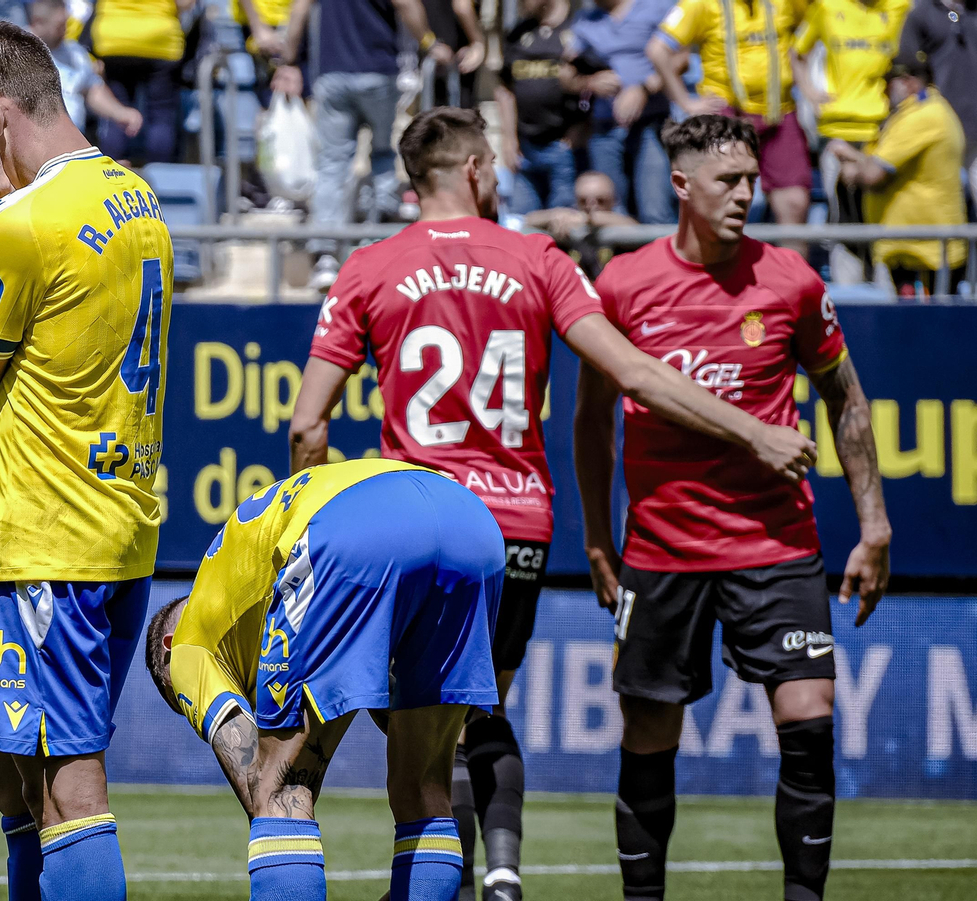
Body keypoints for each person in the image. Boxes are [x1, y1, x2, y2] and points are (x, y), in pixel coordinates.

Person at [287, 106, 819, 901]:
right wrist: (754, 431)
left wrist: (314, 533)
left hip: (416, 519)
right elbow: (634, 373)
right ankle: (503, 873)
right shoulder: (539, 258)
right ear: (475, 169)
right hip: (510, 526)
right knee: (481, 710)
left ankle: (447, 882)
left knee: (423, 726)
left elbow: (307, 425)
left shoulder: (369, 266)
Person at [572, 114, 891, 901]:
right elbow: (591, 421)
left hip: (776, 543)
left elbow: (846, 399)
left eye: (752, 178)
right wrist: (598, 534)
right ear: (682, 185)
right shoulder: (624, 284)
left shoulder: (792, 280)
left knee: (810, 717)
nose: (747, 193)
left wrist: (875, 524)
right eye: (729, 180)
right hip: (662, 549)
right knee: (649, 733)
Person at [0, 21, 173, 901]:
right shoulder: (136, 195)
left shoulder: (20, 223)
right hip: (115, 524)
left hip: (45, 535)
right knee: (13, 768)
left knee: (70, 786)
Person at [145, 458, 505, 901]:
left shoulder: (186, 645)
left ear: (166, 646)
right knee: (423, 789)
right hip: (469, 521)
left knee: (278, 792)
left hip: (352, 533)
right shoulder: (239, 590)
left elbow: (259, 789)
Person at [274, 0, 464, 291]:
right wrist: (428, 42)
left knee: (332, 164)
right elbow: (405, 3)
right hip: (377, 69)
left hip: (332, 72)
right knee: (383, 154)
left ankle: (326, 256)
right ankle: (380, 240)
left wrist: (289, 60)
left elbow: (300, 9)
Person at [647, 0, 811, 226]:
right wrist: (686, 102)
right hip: (726, 115)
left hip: (779, 112)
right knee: (728, 198)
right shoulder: (701, 4)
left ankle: (789, 251)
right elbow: (657, 50)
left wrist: (809, 87)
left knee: (794, 202)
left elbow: (816, 29)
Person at [831, 58, 967, 298]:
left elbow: (873, 174)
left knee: (933, 319)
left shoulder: (923, 115)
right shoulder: (910, 113)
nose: (882, 92)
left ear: (909, 82)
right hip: (909, 247)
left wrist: (851, 162)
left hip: (929, 248)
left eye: (887, 83)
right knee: (908, 317)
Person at [792, 0, 910, 277]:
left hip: (884, 128)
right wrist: (809, 92)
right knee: (842, 213)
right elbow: (797, 52)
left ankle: (885, 285)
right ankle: (847, 288)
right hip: (838, 131)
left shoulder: (899, 7)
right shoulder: (827, 7)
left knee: (882, 213)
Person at [568, 0, 677, 224]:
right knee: (607, 212)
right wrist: (588, 82)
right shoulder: (585, 20)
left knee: (655, 210)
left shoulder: (658, 6)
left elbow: (681, 58)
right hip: (604, 129)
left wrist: (644, 89)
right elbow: (565, 73)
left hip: (651, 125)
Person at [497, 0, 584, 215]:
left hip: (564, 147)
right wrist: (508, 138)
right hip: (526, 149)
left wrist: (584, 125)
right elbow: (505, 89)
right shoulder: (518, 33)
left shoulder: (578, 27)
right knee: (521, 220)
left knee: (563, 220)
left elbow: (596, 79)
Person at [893, 0, 977, 205]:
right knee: (944, 203)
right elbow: (907, 67)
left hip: (975, 126)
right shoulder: (921, 13)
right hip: (939, 126)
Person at [84, 0, 187, 164]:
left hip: (115, 37)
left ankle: (111, 173)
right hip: (159, 39)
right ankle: (160, 175)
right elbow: (185, 3)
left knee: (116, 112)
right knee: (160, 116)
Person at [27, 0, 141, 138]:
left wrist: (121, 113)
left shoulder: (75, 53)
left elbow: (93, 90)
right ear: (38, 22)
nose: (65, 30)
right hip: (36, 139)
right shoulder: (18, 52)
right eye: (59, 26)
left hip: (75, 139)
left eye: (66, 24)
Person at [522, 169, 638, 276]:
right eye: (583, 201)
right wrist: (555, 215)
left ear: (613, 200)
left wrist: (587, 218)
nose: (591, 205)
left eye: (600, 200)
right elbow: (527, 220)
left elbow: (638, 229)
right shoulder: (568, 220)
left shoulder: (621, 222)